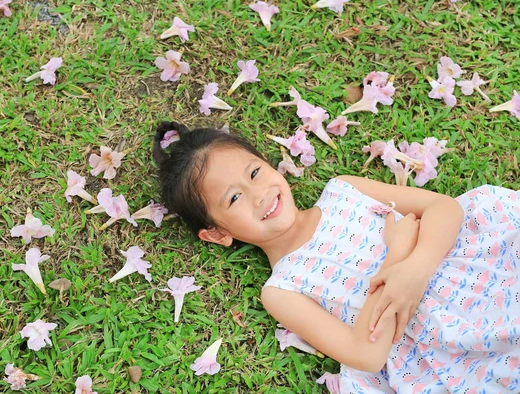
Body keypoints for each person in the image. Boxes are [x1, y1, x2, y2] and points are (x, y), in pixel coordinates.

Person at [153, 121, 520, 393]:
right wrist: (399, 255)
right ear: (217, 233)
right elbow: (365, 355)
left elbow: (444, 208)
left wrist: (419, 265)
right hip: (442, 338)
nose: (259, 195)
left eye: (255, 173)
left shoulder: (344, 190)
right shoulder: (281, 290)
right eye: (233, 198)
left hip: (478, 270)